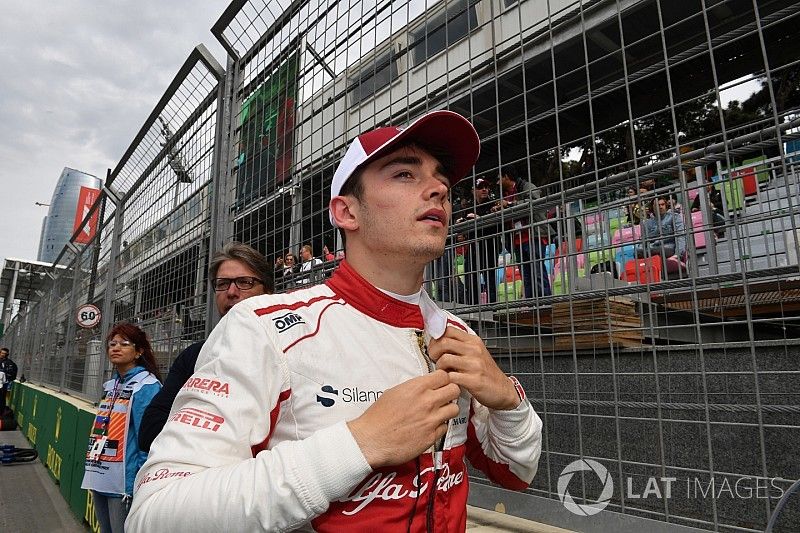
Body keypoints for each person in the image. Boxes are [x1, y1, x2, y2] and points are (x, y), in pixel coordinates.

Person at [126, 110, 542, 532]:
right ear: (346, 212)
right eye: (404, 174)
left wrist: (509, 401)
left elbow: (517, 473)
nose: (438, 189)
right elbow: (155, 516)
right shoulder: (264, 327)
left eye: (442, 181)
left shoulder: (457, 335)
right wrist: (361, 443)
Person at [138, 242, 273, 452]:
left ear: (268, 291)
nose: (231, 292)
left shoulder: (292, 350)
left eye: (245, 282)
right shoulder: (195, 356)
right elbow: (150, 431)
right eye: (222, 283)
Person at [81, 323, 162, 533]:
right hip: (99, 474)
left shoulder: (146, 386)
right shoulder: (111, 385)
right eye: (112, 344)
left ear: (139, 351)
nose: (116, 348)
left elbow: (148, 437)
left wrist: (141, 480)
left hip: (124, 482)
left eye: (124, 344)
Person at [495, 164, 551, 298]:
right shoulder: (506, 194)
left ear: (506, 177)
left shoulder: (527, 186)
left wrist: (509, 205)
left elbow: (534, 202)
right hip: (518, 240)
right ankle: (532, 306)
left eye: (499, 178)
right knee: (526, 276)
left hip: (533, 236)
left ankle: (545, 304)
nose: (498, 182)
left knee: (537, 272)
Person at [459, 177, 500, 304]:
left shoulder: (494, 205)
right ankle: (474, 310)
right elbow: (466, 230)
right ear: (474, 190)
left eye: (486, 187)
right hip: (473, 250)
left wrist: (479, 219)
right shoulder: (469, 208)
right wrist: (462, 229)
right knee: (471, 281)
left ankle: (493, 310)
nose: (484, 190)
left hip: (490, 248)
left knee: (490, 281)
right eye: (481, 187)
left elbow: (498, 225)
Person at [639, 195, 686, 260]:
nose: (660, 207)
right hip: (652, 249)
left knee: (659, 250)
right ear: (652, 207)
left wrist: (677, 254)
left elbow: (680, 236)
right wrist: (640, 251)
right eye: (657, 205)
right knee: (637, 252)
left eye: (662, 204)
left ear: (666, 206)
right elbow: (643, 241)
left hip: (668, 248)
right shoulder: (646, 223)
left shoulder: (674, 217)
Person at [0, 347, 17, 414]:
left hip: (3, 384)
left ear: (7, 354)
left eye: (5, 353)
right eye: (2, 353)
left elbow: (13, 373)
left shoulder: (10, 363)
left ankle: (1, 412)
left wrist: (8, 379)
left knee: (2, 397)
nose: (3, 355)